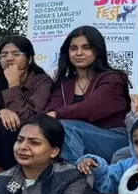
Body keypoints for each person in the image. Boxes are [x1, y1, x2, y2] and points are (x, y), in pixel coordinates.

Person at [0, 36, 55, 194]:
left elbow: (28, 117)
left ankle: (16, 184)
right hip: (0, 145)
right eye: (4, 55)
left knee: (6, 126)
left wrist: (13, 84)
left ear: (29, 59)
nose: (9, 58)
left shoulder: (42, 82)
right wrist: (1, 112)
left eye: (16, 54)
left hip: (28, 143)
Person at [46, 26, 131, 163]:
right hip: (73, 137)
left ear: (97, 50)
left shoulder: (113, 78)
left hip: (112, 138)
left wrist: (57, 113)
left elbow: (92, 108)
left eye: (86, 47)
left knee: (64, 127)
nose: (79, 53)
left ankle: (73, 173)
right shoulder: (64, 84)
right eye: (73, 48)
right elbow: (50, 111)